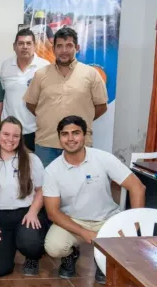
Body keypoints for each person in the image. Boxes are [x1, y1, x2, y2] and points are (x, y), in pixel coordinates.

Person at [43, 116, 146, 284]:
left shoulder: (103, 158)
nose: (70, 138)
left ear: (85, 135)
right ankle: (71, 255)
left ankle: (103, 259)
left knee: (127, 247)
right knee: (53, 246)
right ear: (59, 138)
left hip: (107, 218)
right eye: (65, 134)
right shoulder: (52, 171)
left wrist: (134, 224)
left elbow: (137, 188)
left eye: (76, 133)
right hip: (74, 221)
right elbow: (53, 213)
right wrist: (86, 233)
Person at [24, 28, 108, 167]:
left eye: (69, 45)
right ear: (53, 49)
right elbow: (31, 104)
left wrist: (81, 121)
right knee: (46, 186)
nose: (64, 50)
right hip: (46, 143)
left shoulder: (91, 74)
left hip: (79, 143)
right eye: (60, 46)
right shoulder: (41, 74)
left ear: (77, 48)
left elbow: (101, 106)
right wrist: (47, 117)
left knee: (79, 186)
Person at [0, 116, 48, 277]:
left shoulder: (31, 159)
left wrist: (32, 212)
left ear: (20, 138)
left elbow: (41, 190)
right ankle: (9, 245)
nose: (10, 139)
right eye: (6, 134)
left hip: (26, 213)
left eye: (15, 136)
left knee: (30, 242)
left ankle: (32, 256)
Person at [0, 29, 50, 151]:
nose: (25, 47)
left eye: (28, 43)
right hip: (10, 130)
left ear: (35, 46)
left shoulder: (45, 66)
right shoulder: (6, 65)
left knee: (33, 167)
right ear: (14, 46)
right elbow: (2, 96)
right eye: (21, 43)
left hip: (36, 130)